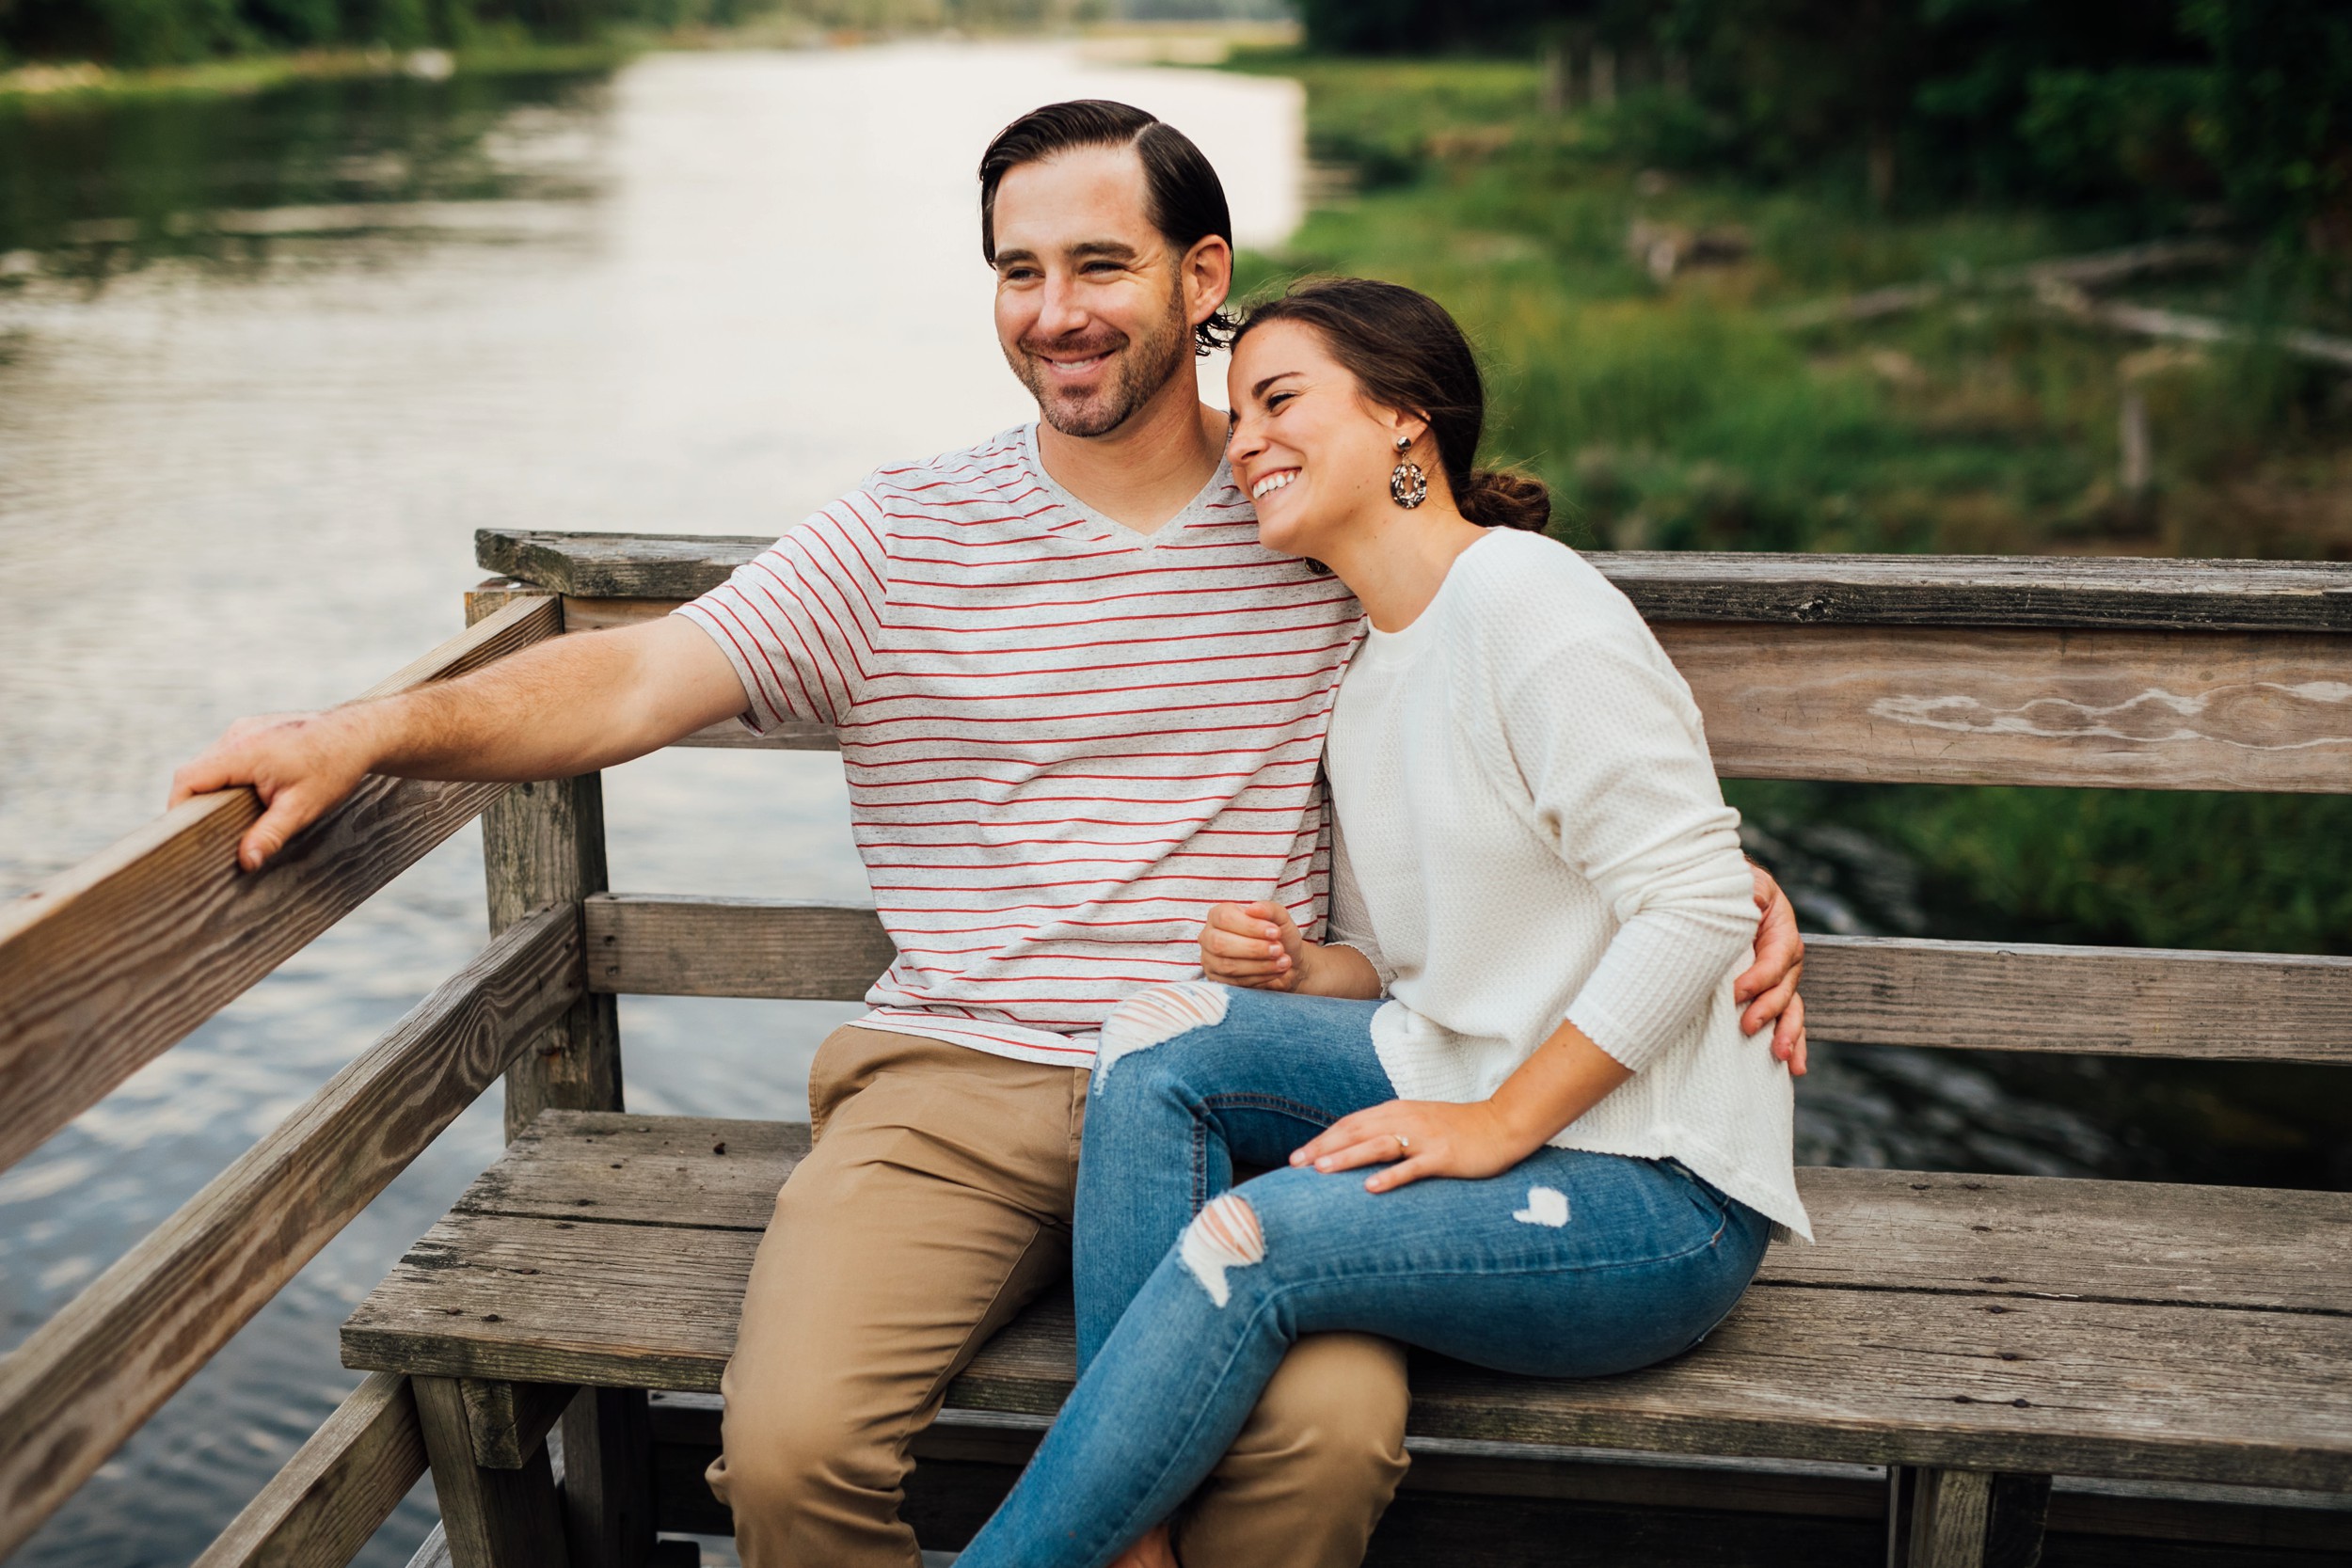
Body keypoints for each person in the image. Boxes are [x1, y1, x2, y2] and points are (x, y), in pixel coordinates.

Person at [166, 105, 1808, 1568]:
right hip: (962, 1084)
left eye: (1101, 261)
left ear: (1199, 274)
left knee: (1316, 1458)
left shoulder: (1302, 521)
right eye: (1017, 271)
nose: (1056, 312)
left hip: (1265, 1095)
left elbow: (1551, 727)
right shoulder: (901, 535)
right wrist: (369, 728)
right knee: (793, 1465)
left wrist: (1731, 889)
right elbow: (633, 681)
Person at [949, 277, 1816, 1568]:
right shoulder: (1370, 668)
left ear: (1407, 420)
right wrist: (1307, 967)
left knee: (1255, 1240)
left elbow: (1691, 898)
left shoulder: (1527, 601)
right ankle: (1130, 1540)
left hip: (1652, 1191)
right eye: (1236, 414)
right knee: (1158, 1038)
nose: (1242, 442)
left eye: (1279, 401)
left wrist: (1497, 1125)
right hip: (1455, 1073)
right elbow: (1406, 968)